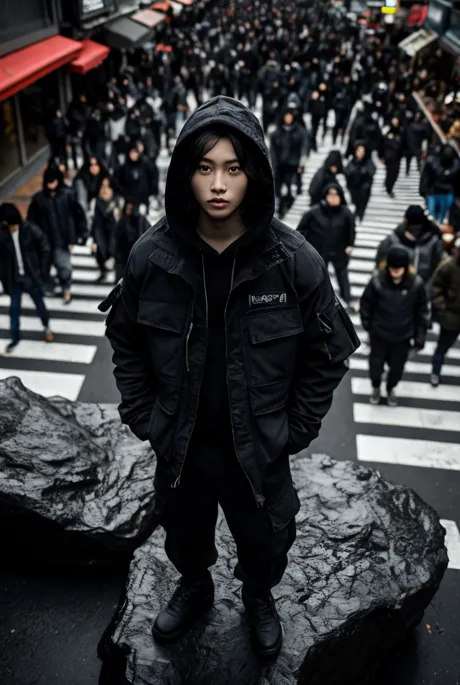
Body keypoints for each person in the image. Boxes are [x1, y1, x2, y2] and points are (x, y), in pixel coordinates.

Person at [102, 96, 359, 659]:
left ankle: (259, 597)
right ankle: (194, 586)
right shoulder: (152, 255)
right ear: (185, 174)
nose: (218, 184)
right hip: (184, 441)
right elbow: (125, 339)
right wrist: (144, 415)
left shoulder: (293, 260)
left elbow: (330, 352)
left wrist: (296, 427)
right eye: (204, 167)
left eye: (233, 169)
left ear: (254, 175)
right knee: (183, 532)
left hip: (259, 448)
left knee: (266, 538)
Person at [360, 245, 429, 406]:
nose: (394, 272)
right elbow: (366, 303)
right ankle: (376, 387)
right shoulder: (378, 281)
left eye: (398, 269)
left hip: (402, 336)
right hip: (379, 334)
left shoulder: (416, 285)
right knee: (375, 366)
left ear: (405, 268)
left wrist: (420, 336)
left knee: (397, 368)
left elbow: (422, 311)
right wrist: (368, 324)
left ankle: (391, 388)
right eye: (392, 268)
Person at [27, 165, 87, 304]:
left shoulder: (68, 195)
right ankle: (51, 285)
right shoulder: (38, 199)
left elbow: (78, 215)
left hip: (62, 240)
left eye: (53, 181)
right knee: (46, 267)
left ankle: (66, 287)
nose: (51, 184)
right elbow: (31, 222)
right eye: (48, 181)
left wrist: (81, 233)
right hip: (44, 241)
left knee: (64, 266)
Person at [0, 203, 54, 354]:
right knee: (14, 309)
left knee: (39, 304)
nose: (11, 228)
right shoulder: (3, 235)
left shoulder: (30, 230)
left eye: (12, 225)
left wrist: (43, 271)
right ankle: (15, 337)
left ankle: (46, 327)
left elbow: (45, 247)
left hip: (31, 276)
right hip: (15, 279)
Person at [430, 228, 460, 394]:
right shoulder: (449, 266)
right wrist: (442, 308)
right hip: (452, 315)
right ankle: (436, 369)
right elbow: (435, 287)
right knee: (443, 346)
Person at [297, 183, 355, 306]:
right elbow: (300, 231)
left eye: (335, 195)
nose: (332, 198)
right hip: (318, 250)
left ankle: (347, 299)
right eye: (330, 195)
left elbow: (351, 230)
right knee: (317, 276)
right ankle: (316, 300)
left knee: (342, 275)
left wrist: (350, 245)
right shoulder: (314, 212)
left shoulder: (346, 213)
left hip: (339, 250)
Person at [375, 205, 444, 285]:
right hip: (398, 286)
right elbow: (381, 263)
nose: (415, 230)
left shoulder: (434, 240)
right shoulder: (394, 240)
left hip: (425, 286)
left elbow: (440, 265)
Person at [270, 109, 309, 218]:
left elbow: (304, 146)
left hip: (293, 165)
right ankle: (280, 208)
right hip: (279, 165)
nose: (288, 119)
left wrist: (302, 162)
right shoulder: (277, 132)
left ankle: (285, 205)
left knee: (289, 188)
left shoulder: (300, 131)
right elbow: (273, 149)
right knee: (278, 189)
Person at [420, 144, 460, 223]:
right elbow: (426, 177)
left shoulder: (456, 165)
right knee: (434, 213)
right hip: (435, 191)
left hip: (444, 192)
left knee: (440, 214)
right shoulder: (433, 162)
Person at [113, 201, 150, 283]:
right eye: (127, 208)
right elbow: (117, 236)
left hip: (136, 254)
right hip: (124, 254)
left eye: (131, 209)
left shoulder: (141, 220)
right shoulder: (124, 220)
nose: (128, 211)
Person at [91, 179, 117, 284]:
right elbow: (93, 220)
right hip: (99, 231)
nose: (105, 190)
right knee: (99, 252)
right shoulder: (95, 202)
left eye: (108, 187)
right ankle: (103, 272)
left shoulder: (117, 202)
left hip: (113, 232)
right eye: (103, 187)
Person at [345, 143, 376, 223]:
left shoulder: (368, 162)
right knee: (355, 202)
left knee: (362, 204)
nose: (360, 153)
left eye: (362, 151)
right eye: (359, 151)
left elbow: (371, 171)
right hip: (354, 187)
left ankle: (360, 216)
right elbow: (347, 171)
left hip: (364, 188)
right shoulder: (352, 161)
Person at [381, 116, 404, 199]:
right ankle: (388, 188)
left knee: (395, 174)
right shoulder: (387, 131)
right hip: (389, 156)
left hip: (397, 157)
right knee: (389, 173)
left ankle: (389, 186)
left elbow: (403, 144)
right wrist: (381, 156)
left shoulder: (401, 132)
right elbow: (382, 143)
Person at [405, 111, 428, 176]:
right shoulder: (422, 127)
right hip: (415, 146)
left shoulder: (410, 126)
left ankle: (409, 170)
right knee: (416, 161)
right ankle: (417, 170)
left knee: (411, 161)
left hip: (412, 146)